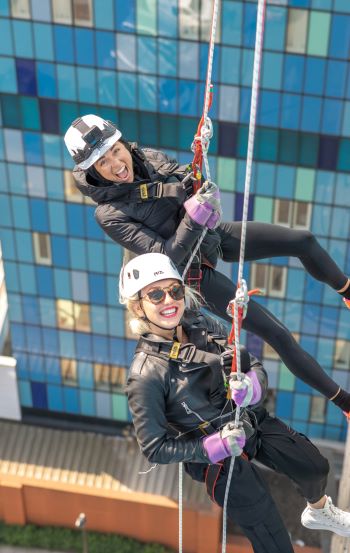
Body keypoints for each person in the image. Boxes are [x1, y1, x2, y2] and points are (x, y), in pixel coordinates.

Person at [64, 114, 350, 415]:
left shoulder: (149, 157)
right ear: (92, 171)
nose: (116, 164)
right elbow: (166, 256)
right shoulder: (108, 213)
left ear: (123, 144)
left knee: (301, 240)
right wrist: (195, 216)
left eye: (115, 151)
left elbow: (185, 182)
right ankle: (344, 401)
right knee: (277, 334)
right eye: (103, 163)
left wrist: (197, 187)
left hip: (209, 236)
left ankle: (347, 290)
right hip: (191, 272)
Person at [119, 252, 350, 553]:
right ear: (138, 306)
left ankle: (319, 511)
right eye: (156, 294)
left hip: (246, 419)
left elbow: (251, 363)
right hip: (215, 457)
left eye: (175, 290)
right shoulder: (146, 374)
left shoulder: (200, 323)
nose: (169, 300)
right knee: (269, 530)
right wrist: (211, 447)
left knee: (314, 466)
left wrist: (252, 387)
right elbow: (154, 448)